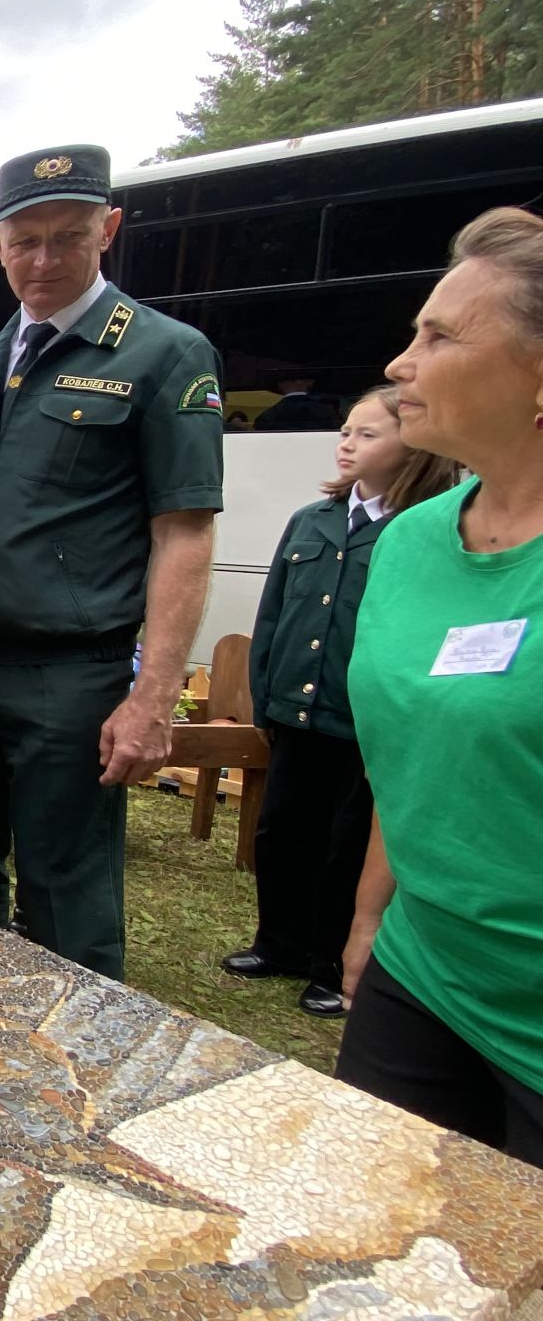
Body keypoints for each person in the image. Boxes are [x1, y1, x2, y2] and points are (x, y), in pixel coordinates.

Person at [0, 146, 224, 981]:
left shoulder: (163, 353)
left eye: (69, 237)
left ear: (107, 230)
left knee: (64, 896)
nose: (44, 260)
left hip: (68, 679)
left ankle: (78, 1068)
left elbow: (183, 534)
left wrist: (154, 694)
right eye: (26, 240)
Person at [335, 206, 543, 1166]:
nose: (401, 363)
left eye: (440, 336)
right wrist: (374, 913)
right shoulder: (414, 539)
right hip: (423, 974)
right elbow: (412, 748)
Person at [225, 385, 458, 1016]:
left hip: (363, 722)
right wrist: (264, 695)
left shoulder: (421, 526)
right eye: (346, 431)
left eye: (368, 434)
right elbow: (273, 612)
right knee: (283, 830)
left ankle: (330, 964)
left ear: (412, 444)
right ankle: (279, 944)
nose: (348, 444)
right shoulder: (313, 521)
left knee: (346, 843)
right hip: (296, 711)